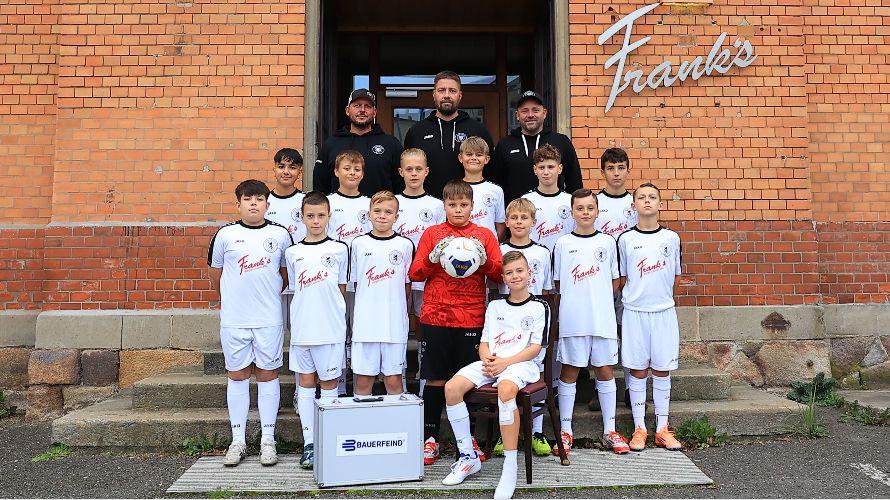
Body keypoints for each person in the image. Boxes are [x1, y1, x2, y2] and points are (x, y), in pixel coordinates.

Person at [408, 179, 503, 466]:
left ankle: (469, 439)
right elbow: (415, 274)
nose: (458, 210)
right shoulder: (433, 234)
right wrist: (432, 258)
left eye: (463, 205)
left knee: (467, 380)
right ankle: (430, 439)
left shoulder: (484, 235)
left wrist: (484, 261)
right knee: (435, 378)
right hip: (436, 315)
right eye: (452, 205)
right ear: (444, 206)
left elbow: (499, 274)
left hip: (471, 317)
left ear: (473, 206)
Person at [441, 251, 548, 500]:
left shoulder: (538, 307)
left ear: (529, 273)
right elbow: (484, 342)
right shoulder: (495, 306)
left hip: (521, 364)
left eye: (519, 270)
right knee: (452, 388)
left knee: (506, 389)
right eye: (509, 273)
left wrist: (504, 364)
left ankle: (509, 468)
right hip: (492, 362)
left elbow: (534, 348)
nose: (515, 276)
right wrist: (488, 360)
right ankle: (468, 457)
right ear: (503, 278)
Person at [208, 180, 293, 467]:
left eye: (259, 199)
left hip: (268, 318)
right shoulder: (225, 235)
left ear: (268, 204)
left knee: (268, 374)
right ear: (238, 204)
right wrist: (232, 299)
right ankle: (238, 441)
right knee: (238, 375)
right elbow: (216, 274)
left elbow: (285, 275)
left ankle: (268, 440)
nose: (253, 203)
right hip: (235, 319)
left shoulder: (280, 234)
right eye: (247, 199)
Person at [552, 189, 629, 456]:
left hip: (601, 318)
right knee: (569, 371)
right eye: (580, 208)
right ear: (572, 212)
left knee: (604, 370)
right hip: (573, 319)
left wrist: (598, 301)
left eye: (590, 208)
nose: (585, 213)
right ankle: (565, 431)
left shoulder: (607, 242)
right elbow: (558, 282)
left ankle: (610, 430)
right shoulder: (562, 244)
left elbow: (615, 282)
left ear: (597, 211)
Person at [284, 191, 350, 469]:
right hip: (303, 330)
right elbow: (295, 290)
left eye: (321, 215)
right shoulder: (293, 252)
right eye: (310, 216)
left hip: (330, 330)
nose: (315, 220)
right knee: (306, 384)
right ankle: (310, 443)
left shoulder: (340, 249)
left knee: (330, 384)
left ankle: (328, 441)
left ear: (328, 216)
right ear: (301, 217)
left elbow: (341, 289)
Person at [617, 183, 683, 452]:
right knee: (638, 369)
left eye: (652, 197)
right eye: (641, 197)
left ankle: (662, 428)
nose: (647, 201)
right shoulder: (625, 239)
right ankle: (639, 428)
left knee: (662, 369)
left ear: (660, 204)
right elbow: (622, 277)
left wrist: (660, 298)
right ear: (633, 205)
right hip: (635, 313)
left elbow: (675, 276)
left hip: (663, 312)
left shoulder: (671, 238)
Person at [492, 197, 552, 458]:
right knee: (504, 375)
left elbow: (547, 290)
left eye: (524, 217)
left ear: (533, 222)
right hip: (506, 326)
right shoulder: (498, 250)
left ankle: (536, 431)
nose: (519, 222)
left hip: (533, 323)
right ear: (506, 222)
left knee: (536, 371)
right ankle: (506, 433)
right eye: (514, 218)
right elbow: (494, 288)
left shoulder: (542, 252)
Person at [350, 191, 414, 397]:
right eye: (377, 211)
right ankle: (362, 418)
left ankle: (396, 418)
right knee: (363, 380)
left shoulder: (405, 245)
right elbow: (358, 284)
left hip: (393, 325)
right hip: (366, 325)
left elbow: (406, 286)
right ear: (369, 214)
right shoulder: (358, 244)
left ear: (396, 216)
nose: (382, 216)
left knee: (393, 380)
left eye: (388, 212)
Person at [590, 147, 638, 411]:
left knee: (627, 333)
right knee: (603, 334)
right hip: (602, 279)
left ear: (628, 170)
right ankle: (602, 390)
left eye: (621, 168)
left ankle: (632, 388)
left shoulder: (636, 202)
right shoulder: (595, 203)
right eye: (610, 168)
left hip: (631, 278)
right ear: (603, 172)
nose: (616, 173)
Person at [395, 149, 445, 394]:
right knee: (400, 323)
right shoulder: (393, 203)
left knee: (426, 326)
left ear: (426, 172)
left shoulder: (436, 205)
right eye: (409, 169)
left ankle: (426, 379)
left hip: (428, 277)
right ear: (401, 172)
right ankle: (399, 380)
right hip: (397, 277)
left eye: (418, 169)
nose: (414, 174)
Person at [404, 71, 494, 198]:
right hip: (427, 205)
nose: (447, 95)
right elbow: (407, 171)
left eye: (452, 91)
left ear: (460, 95)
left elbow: (491, 170)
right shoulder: (417, 132)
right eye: (441, 90)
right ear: (434, 94)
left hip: (466, 205)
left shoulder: (478, 130)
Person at [327, 150, 372, 394]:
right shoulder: (329, 203)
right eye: (347, 168)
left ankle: (357, 383)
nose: (352, 173)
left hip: (363, 277)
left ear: (363, 174)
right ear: (336, 171)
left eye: (357, 169)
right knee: (338, 328)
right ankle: (339, 384)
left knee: (358, 329)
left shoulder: (370, 204)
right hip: (335, 277)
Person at [487, 91, 583, 204]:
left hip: (554, 212)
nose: (530, 115)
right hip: (516, 213)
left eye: (535, 110)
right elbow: (496, 184)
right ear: (517, 115)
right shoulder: (505, 145)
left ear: (544, 113)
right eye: (525, 111)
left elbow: (574, 182)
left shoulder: (561, 141)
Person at [313, 89, 403, 197]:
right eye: (357, 106)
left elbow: (401, 185)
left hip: (380, 207)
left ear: (374, 112)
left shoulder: (391, 144)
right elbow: (320, 187)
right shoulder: (331, 144)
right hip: (340, 207)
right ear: (347, 110)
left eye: (368, 106)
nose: (362, 110)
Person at [265, 148, 306, 333]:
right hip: (273, 273)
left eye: (292, 167)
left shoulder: (306, 201)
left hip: (301, 273)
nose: (286, 171)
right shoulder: (263, 201)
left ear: (300, 171)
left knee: (301, 328)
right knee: (274, 328)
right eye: (281, 166)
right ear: (274, 169)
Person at [522, 145, 575, 252]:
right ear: (535, 169)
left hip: (564, 256)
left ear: (560, 169)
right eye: (541, 167)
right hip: (535, 257)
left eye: (551, 167)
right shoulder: (526, 200)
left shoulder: (570, 200)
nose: (546, 172)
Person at [460, 136, 506, 241]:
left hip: (488, 247)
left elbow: (500, 224)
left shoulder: (496, 190)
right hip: (461, 247)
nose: (474, 158)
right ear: (460, 158)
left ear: (486, 159)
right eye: (469, 154)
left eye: (479, 155)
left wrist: (491, 244)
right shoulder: (454, 189)